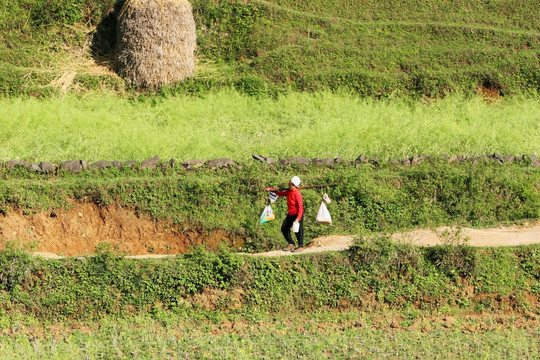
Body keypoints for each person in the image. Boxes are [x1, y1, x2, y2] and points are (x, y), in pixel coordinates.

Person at [264, 176, 305, 252]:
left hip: (297, 214)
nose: (290, 186)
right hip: (291, 213)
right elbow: (280, 193)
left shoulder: (297, 194)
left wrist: (298, 218)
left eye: (292, 185)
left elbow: (300, 208)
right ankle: (291, 243)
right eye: (289, 184)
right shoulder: (289, 192)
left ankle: (300, 246)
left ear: (295, 186)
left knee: (298, 230)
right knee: (284, 228)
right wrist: (271, 189)